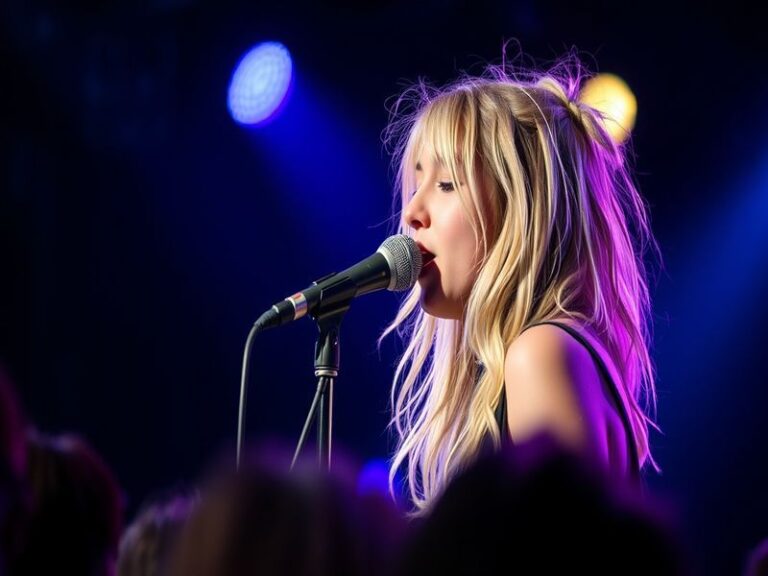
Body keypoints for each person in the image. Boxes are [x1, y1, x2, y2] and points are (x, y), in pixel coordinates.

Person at [379, 53, 661, 514]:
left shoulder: (540, 353)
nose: (411, 212)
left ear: (521, 213)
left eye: (447, 184)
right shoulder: (544, 353)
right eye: (417, 183)